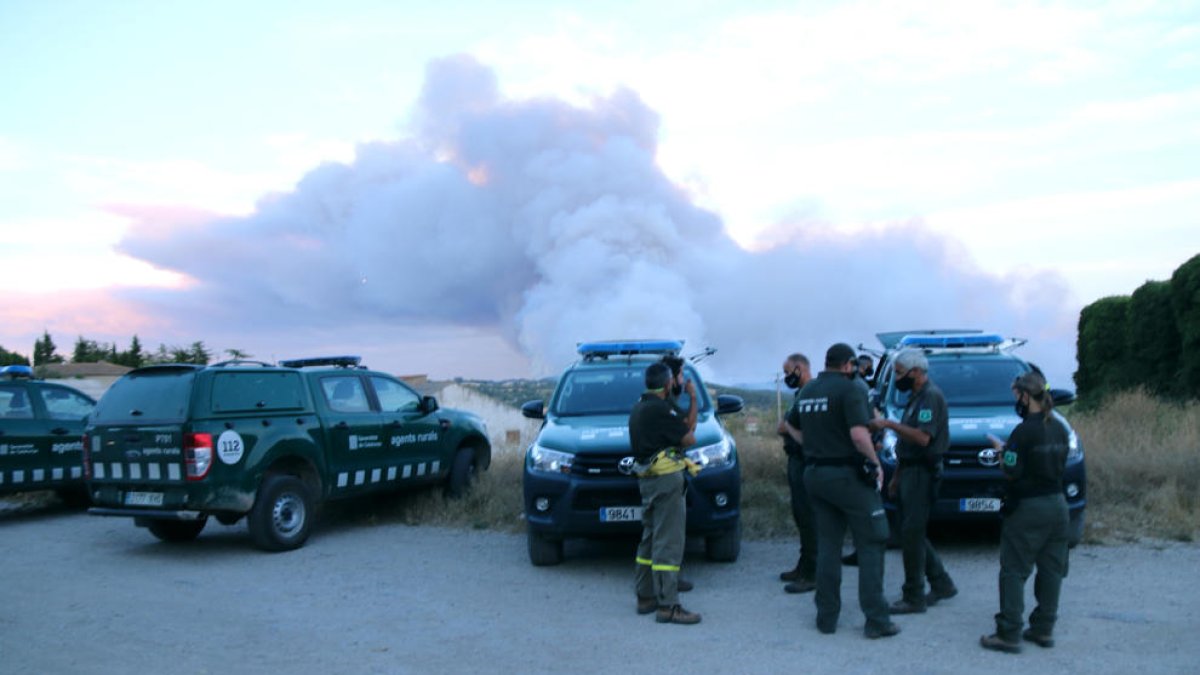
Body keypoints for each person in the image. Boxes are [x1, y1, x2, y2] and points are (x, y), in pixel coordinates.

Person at [791, 343, 898, 639]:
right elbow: (859, 435)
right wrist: (875, 464)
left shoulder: (808, 391)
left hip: (815, 474)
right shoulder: (851, 389)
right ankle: (877, 619)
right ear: (848, 364)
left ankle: (826, 618)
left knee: (828, 545)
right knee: (873, 539)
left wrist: (812, 445)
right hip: (847, 476)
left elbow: (790, 426)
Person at [980, 371, 1071, 653]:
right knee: (1052, 570)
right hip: (1058, 506)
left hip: (1029, 508)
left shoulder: (1023, 431)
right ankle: (1043, 628)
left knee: (1014, 570)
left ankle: (1008, 632)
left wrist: (1000, 451)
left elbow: (1011, 469)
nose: (1015, 401)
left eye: (1016, 395)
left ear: (1025, 396)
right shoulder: (1060, 428)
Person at [869, 349, 957, 614]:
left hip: (923, 473)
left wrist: (888, 424)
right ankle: (941, 583)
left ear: (916, 372)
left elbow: (922, 438)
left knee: (912, 535)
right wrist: (896, 477)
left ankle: (914, 596)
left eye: (899, 372)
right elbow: (907, 446)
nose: (897, 378)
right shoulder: (916, 398)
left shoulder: (930, 397)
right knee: (912, 531)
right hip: (909, 470)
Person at [630, 361, 701, 625]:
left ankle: (645, 596)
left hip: (648, 481)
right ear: (668, 383)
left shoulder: (640, 407)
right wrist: (693, 397)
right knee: (668, 543)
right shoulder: (660, 410)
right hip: (665, 481)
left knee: (649, 539)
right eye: (674, 379)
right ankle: (669, 606)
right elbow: (689, 437)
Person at [778, 353, 816, 594]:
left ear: (800, 368)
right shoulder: (801, 393)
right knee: (801, 515)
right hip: (796, 460)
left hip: (804, 461)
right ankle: (804, 566)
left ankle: (812, 573)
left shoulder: (810, 393)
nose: (786, 377)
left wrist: (787, 427)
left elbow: (804, 432)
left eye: (787, 371)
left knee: (809, 517)